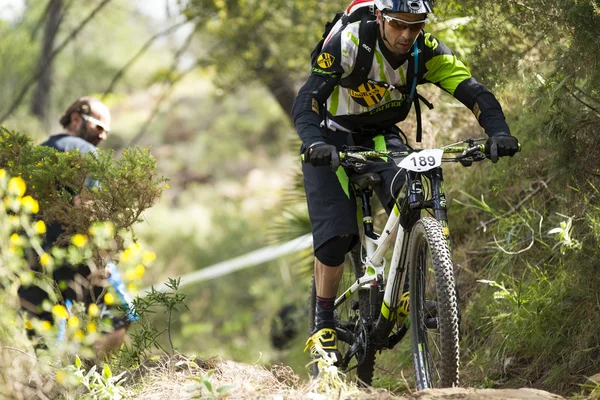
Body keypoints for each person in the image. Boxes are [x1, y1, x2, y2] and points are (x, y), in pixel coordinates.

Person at [293, 0, 519, 361]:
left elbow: (473, 91)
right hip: (330, 136)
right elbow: (308, 99)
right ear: (380, 17)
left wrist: (499, 131)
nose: (406, 35)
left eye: (416, 26)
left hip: (382, 135)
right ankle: (322, 322)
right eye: (398, 25)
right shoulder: (349, 42)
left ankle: (407, 285)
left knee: (413, 193)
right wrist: (315, 142)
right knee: (336, 236)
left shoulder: (424, 50)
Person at [18, 96, 129, 358]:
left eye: (107, 131)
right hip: (76, 254)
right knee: (119, 316)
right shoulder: (86, 152)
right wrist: (101, 256)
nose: (102, 136)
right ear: (76, 120)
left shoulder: (35, 156)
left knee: (44, 343)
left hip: (32, 261)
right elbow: (88, 205)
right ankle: (95, 386)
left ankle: (51, 390)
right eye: (99, 127)